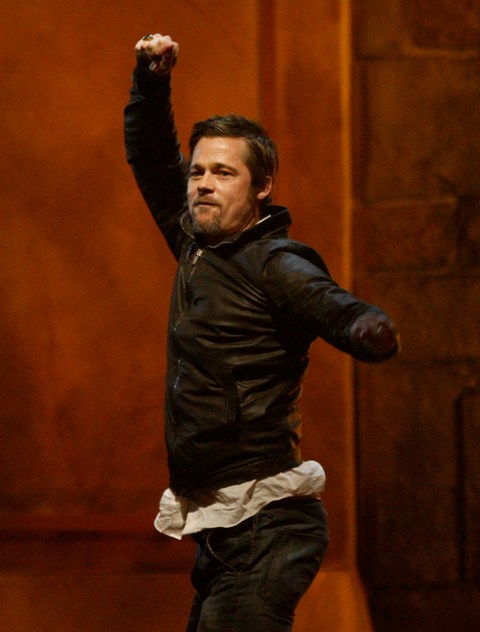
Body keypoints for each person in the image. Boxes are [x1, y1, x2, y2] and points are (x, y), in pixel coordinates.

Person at [124, 33, 399, 632]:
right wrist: (151, 82)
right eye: (198, 171)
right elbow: (150, 159)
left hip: (267, 527)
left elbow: (330, 304)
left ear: (261, 187)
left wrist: (365, 326)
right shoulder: (195, 243)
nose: (202, 183)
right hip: (223, 532)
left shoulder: (275, 262)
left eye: (223, 172)